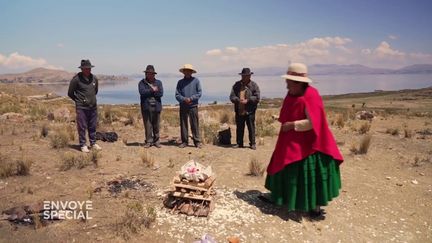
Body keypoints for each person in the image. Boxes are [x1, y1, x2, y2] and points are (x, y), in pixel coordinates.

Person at [261, 63, 343, 219]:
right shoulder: (292, 95)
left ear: (299, 83)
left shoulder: (311, 95)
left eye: (289, 83)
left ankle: (314, 205)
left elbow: (313, 122)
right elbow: (290, 112)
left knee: (310, 175)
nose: (287, 87)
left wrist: (292, 125)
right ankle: (280, 196)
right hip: (290, 140)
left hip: (309, 144)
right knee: (282, 166)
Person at [67, 59, 102, 153]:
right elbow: (70, 93)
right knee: (82, 126)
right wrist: (79, 101)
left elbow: (95, 91)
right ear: (82, 69)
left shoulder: (94, 78)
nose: (88, 70)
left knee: (93, 126)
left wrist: (91, 99)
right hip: (82, 108)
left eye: (89, 68)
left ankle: (93, 143)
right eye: (86, 68)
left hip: (93, 107)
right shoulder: (76, 79)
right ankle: (83, 144)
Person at [229, 68, 260, 150]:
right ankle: (239, 143)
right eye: (244, 76)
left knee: (251, 127)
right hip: (239, 110)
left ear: (250, 76)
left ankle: (252, 143)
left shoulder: (254, 85)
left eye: (247, 76)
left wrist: (248, 100)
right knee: (239, 127)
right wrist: (238, 100)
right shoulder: (237, 85)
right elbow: (232, 96)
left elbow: (257, 97)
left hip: (250, 110)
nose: (245, 77)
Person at [175, 64, 202, 148]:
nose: (187, 72)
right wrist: (184, 99)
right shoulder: (180, 82)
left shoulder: (196, 81)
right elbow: (177, 95)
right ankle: (184, 142)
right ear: (183, 72)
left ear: (191, 72)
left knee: (194, 124)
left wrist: (191, 99)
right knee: (183, 124)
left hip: (193, 106)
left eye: (189, 70)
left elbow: (199, 93)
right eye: (185, 70)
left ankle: (197, 141)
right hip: (183, 106)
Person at [138, 65, 164, 148]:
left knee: (156, 125)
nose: (150, 75)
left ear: (154, 74)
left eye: (152, 74)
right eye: (148, 73)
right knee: (147, 125)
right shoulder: (141, 83)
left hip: (156, 107)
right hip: (146, 107)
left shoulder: (159, 82)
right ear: (146, 74)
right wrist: (152, 90)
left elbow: (160, 93)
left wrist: (150, 92)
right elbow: (142, 93)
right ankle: (149, 141)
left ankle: (156, 141)